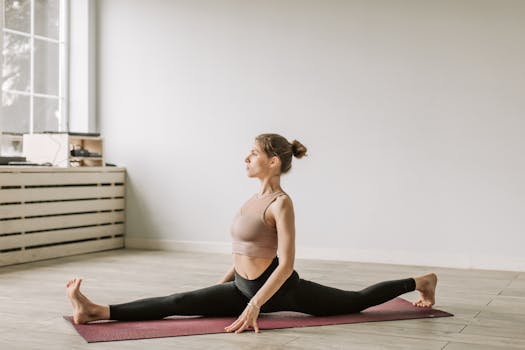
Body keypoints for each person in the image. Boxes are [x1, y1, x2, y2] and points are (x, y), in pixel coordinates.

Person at [66, 133, 437, 334]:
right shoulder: (250, 200)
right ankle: (96, 310)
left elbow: (287, 262)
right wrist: (222, 286)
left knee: (354, 302)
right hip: (241, 288)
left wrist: (256, 304)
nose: (246, 158)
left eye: (253, 153)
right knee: (178, 302)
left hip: (279, 289)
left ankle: (422, 280)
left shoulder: (281, 203)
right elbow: (241, 250)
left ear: (273, 162)